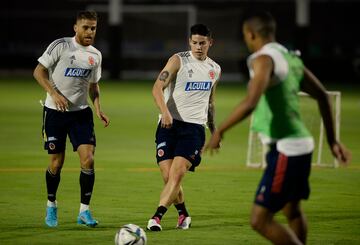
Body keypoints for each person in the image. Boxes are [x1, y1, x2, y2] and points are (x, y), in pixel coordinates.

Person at [205, 11, 351, 245]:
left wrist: (220, 130)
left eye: (245, 36)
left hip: (287, 149)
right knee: (292, 211)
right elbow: (323, 96)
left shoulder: (263, 59)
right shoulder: (290, 57)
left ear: (251, 34)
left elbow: (251, 101)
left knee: (259, 220)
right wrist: (332, 141)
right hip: (302, 145)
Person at [33, 10, 110, 228]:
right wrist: (54, 94)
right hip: (55, 113)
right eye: (85, 27)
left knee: (89, 159)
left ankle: (84, 212)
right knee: (56, 163)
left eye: (93, 28)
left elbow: (94, 86)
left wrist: (98, 108)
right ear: (75, 27)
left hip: (81, 114)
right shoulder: (61, 45)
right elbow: (39, 72)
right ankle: (51, 205)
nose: (89, 32)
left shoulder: (96, 55)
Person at [147, 24, 221, 231]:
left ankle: (156, 217)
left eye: (202, 43)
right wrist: (166, 111)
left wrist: (215, 131)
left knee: (177, 174)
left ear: (210, 43)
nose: (198, 47)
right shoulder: (178, 60)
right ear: (190, 42)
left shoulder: (214, 69)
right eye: (195, 42)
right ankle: (183, 214)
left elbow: (210, 103)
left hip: (194, 130)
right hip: (168, 125)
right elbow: (157, 88)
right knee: (167, 176)